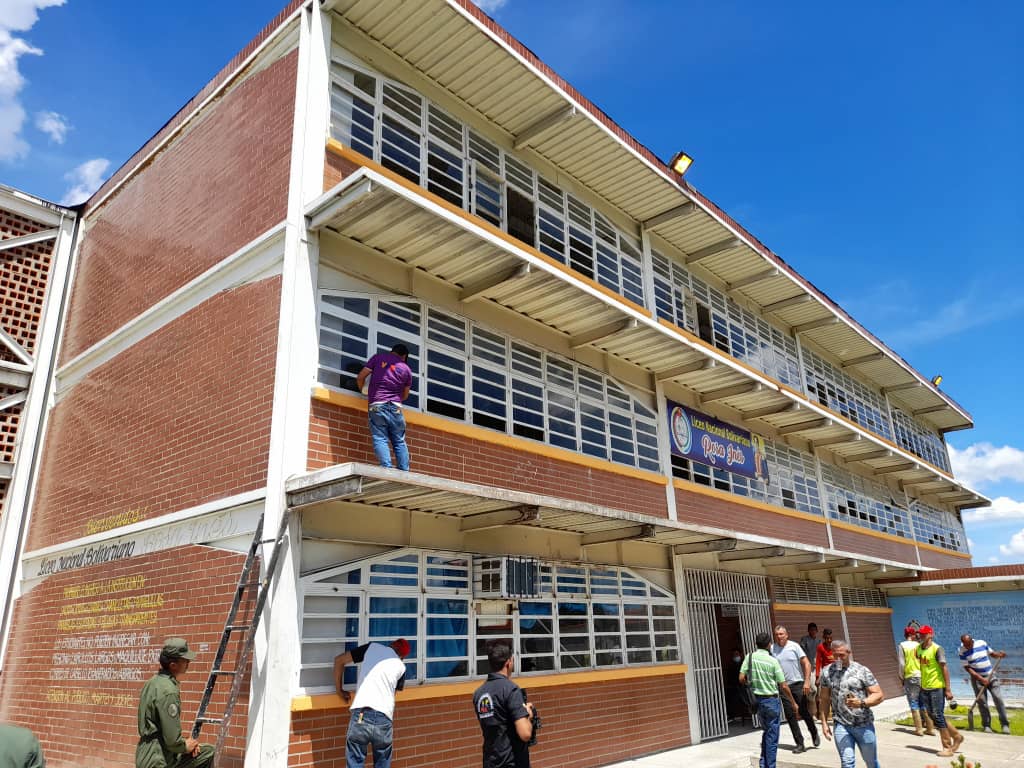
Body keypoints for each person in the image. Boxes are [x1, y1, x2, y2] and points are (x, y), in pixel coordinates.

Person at [136, 638, 215, 768]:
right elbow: (172, 740)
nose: (188, 663)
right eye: (185, 660)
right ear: (173, 665)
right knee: (208, 753)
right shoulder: (169, 691)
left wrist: (185, 744)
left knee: (205, 751)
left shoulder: (152, 682)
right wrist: (185, 746)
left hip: (146, 754)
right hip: (159, 758)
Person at [333, 638, 411, 768]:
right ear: (402, 656)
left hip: (361, 714)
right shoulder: (401, 667)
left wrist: (339, 690)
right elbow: (392, 695)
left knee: (355, 763)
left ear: (391, 645)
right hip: (383, 718)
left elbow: (339, 660)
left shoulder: (372, 648)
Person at [818, 639, 884, 768]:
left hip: (863, 724)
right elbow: (824, 698)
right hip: (841, 725)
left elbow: (879, 694)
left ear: (849, 652)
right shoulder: (827, 672)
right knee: (847, 762)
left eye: (842, 655)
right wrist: (824, 722)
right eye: (835, 655)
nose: (838, 658)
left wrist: (862, 703)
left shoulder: (861, 670)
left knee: (871, 762)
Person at [473, 640, 536, 768]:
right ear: (509, 662)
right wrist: (528, 715)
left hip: (490, 761)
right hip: (511, 762)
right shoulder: (510, 689)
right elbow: (525, 734)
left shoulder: (479, 693)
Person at [740, 631, 799, 768]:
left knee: (767, 732)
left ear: (756, 644)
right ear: (768, 645)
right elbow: (783, 685)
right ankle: (770, 766)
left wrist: (753, 683)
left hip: (757, 701)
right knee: (772, 737)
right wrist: (793, 702)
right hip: (771, 701)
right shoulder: (773, 661)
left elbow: (741, 678)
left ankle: (763, 763)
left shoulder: (749, 657)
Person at [356, 343, 413, 471]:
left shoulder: (378, 358)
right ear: (404, 356)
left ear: (391, 351)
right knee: (399, 441)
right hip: (396, 407)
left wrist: (364, 391)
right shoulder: (406, 369)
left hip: (377, 405)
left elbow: (360, 377)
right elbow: (405, 395)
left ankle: (386, 468)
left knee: (380, 437)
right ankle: (404, 471)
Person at [771, 625, 820, 753]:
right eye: (777, 634)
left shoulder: (794, 646)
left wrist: (807, 681)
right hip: (783, 686)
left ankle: (814, 732)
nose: (779, 636)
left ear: (787, 635)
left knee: (804, 711)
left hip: (798, 684)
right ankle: (799, 743)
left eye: (781, 634)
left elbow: (807, 663)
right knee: (790, 715)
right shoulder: (772, 649)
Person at [916, 625, 963, 757]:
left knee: (937, 715)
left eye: (924, 634)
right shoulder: (918, 649)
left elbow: (944, 669)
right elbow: (922, 668)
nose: (921, 636)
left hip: (937, 687)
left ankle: (947, 747)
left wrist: (948, 689)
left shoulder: (937, 649)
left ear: (931, 634)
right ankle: (957, 736)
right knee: (933, 716)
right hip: (925, 687)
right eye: (920, 634)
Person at [958, 633, 1010, 734]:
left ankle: (1005, 725)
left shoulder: (981, 643)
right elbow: (967, 668)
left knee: (998, 699)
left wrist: (999, 655)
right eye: (965, 645)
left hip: (991, 676)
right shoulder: (961, 650)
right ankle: (987, 726)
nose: (967, 647)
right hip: (977, 679)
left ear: (972, 641)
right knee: (982, 703)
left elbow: (991, 654)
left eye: (968, 645)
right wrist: (981, 679)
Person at [896, 625, 932, 737]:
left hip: (910, 676)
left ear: (905, 635)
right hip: (921, 675)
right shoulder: (919, 645)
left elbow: (902, 663)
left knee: (913, 701)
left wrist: (901, 676)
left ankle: (919, 729)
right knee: (923, 701)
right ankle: (930, 728)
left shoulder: (902, 645)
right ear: (912, 635)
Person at [799, 624, 821, 714]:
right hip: (809, 668)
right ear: (808, 631)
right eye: (811, 630)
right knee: (813, 690)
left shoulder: (819, 641)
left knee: (820, 691)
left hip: (818, 668)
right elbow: (801, 654)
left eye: (814, 630)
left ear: (817, 631)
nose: (813, 632)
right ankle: (812, 712)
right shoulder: (804, 640)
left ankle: (819, 713)